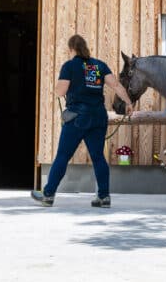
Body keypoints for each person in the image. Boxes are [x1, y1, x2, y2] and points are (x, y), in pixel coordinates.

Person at [31, 34, 134, 208]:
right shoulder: (99, 65)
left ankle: (48, 194)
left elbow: (61, 91)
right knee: (98, 157)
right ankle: (103, 197)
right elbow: (116, 85)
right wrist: (129, 102)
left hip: (77, 117)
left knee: (63, 156)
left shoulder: (69, 66)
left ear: (72, 49)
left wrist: (56, 89)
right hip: (98, 117)